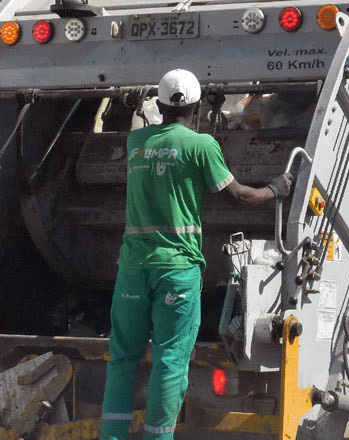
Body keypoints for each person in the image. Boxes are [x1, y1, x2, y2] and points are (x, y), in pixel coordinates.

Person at [100, 69, 292, 440]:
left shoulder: (135, 142)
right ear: (197, 105)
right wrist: (276, 188)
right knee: (170, 361)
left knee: (123, 359)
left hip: (133, 268)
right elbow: (240, 196)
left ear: (157, 104)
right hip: (177, 270)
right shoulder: (201, 145)